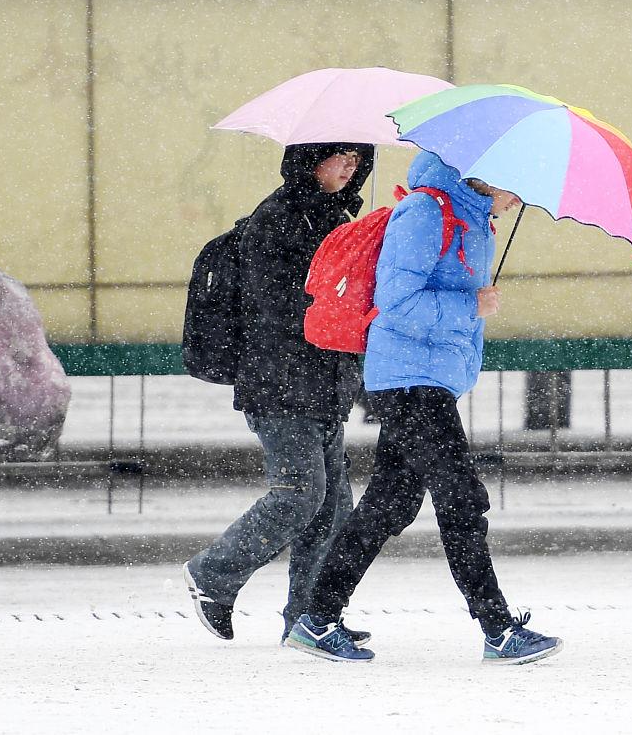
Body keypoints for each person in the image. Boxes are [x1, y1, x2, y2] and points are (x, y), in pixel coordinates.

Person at [285, 151, 564, 665]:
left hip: (430, 380)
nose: (518, 200)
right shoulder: (426, 212)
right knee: (461, 498)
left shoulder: (475, 221)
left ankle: (317, 619)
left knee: (388, 506)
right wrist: (470, 306)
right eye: (517, 187)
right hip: (408, 381)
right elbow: (397, 301)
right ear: (491, 175)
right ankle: (498, 628)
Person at [183, 141, 376, 645]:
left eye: (358, 161)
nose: (349, 169)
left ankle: (309, 618)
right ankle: (213, 575)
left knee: (332, 506)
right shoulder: (281, 218)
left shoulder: (329, 217)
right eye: (340, 158)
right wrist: (342, 301)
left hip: (322, 383)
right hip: (282, 383)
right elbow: (278, 308)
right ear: (308, 160)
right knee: (300, 495)